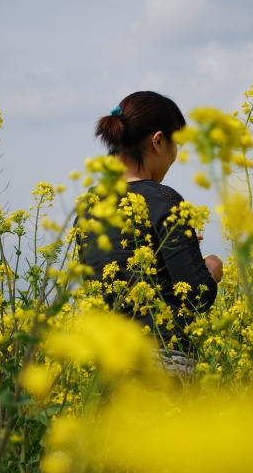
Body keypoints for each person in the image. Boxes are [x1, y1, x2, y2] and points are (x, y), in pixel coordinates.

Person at [76, 91, 223, 372]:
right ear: (158, 141)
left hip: (105, 364)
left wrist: (175, 248)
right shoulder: (163, 199)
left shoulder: (89, 204)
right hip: (163, 362)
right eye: (176, 145)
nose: (175, 156)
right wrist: (210, 267)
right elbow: (197, 296)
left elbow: (111, 271)